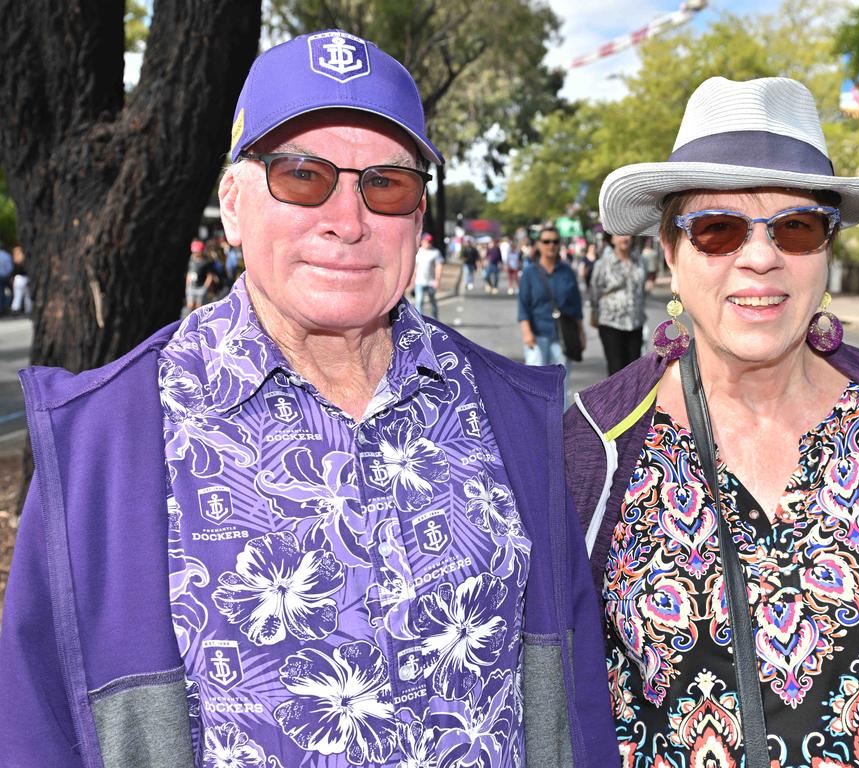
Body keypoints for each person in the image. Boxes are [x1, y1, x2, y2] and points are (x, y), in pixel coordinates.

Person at [0, 29, 618, 768]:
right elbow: (35, 725)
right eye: (302, 176)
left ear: (419, 217)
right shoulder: (105, 439)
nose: (349, 220)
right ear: (233, 204)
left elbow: (575, 710)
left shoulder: (514, 414)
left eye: (385, 184)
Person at [565, 76, 859, 767]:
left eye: (796, 227)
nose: (760, 257)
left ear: (827, 249)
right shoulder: (594, 443)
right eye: (716, 228)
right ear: (669, 252)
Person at [518, 226, 586, 375]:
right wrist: (527, 333)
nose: (551, 245)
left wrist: (581, 333)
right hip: (537, 336)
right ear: (538, 244)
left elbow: (577, 305)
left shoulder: (567, 272)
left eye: (555, 242)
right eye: (546, 241)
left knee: (560, 385)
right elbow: (523, 306)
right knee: (536, 385)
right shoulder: (529, 273)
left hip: (563, 336)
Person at [590, 234, 646, 375]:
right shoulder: (603, 264)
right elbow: (594, 290)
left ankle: (633, 398)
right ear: (612, 239)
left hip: (635, 321)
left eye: (627, 235)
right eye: (619, 235)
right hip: (611, 322)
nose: (624, 238)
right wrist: (594, 311)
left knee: (634, 369)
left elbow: (642, 287)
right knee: (616, 369)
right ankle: (616, 398)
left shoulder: (639, 261)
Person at [412, 231, 442, 317]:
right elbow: (415, 267)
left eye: (430, 241)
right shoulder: (418, 252)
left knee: (432, 302)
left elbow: (439, 267)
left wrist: (437, 280)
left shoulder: (435, 253)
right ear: (422, 241)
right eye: (427, 241)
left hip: (431, 282)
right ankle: (419, 322)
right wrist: (412, 281)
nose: (428, 243)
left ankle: (435, 320)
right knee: (419, 301)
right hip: (420, 281)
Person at [184, 238, 214, 311]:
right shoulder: (191, 260)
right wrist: (187, 284)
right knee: (189, 306)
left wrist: (205, 287)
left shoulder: (206, 262)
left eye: (196, 252)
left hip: (201, 287)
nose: (195, 253)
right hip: (191, 286)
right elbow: (189, 272)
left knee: (198, 307)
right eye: (194, 252)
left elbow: (209, 275)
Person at [9, 244, 30, 315]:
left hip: (17, 278)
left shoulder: (14, 260)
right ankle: (28, 309)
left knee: (17, 295)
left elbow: (13, 271)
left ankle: (15, 308)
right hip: (24, 278)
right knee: (27, 295)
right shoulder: (26, 259)